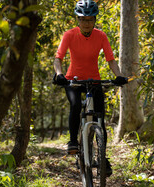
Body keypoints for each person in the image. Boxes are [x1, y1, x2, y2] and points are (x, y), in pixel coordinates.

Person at [53, 0, 128, 176]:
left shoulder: (101, 36)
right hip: (73, 81)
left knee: (100, 119)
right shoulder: (69, 35)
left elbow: (110, 59)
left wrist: (118, 76)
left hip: (94, 81)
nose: (86, 23)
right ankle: (73, 142)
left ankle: (102, 156)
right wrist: (59, 74)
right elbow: (58, 58)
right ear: (78, 19)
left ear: (94, 20)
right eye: (83, 19)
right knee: (76, 105)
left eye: (90, 19)